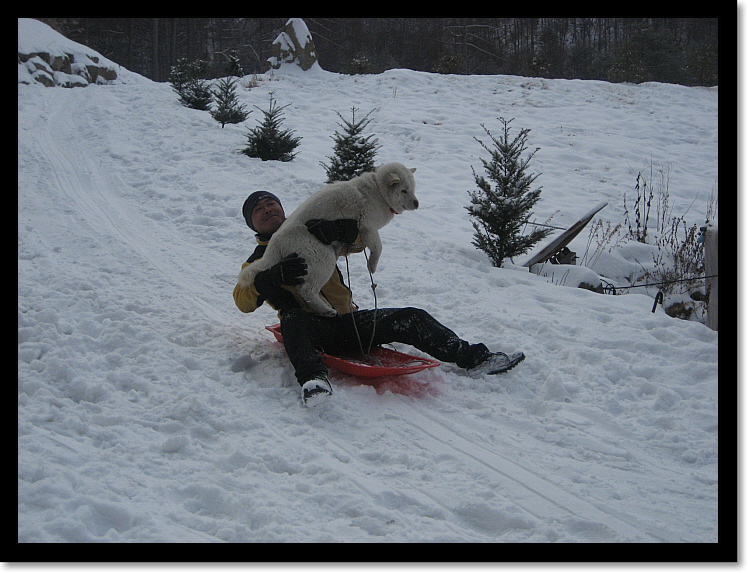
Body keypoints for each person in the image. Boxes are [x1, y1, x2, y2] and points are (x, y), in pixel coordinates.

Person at [233, 190, 525, 407]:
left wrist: (345, 232)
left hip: (348, 323)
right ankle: (314, 380)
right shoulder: (257, 261)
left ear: (283, 210)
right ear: (253, 225)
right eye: (258, 210)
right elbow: (242, 300)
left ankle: (475, 358)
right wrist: (267, 279)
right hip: (311, 332)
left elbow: (357, 244)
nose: (267, 209)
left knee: (412, 317)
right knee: (293, 318)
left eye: (271, 203)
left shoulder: (312, 233)